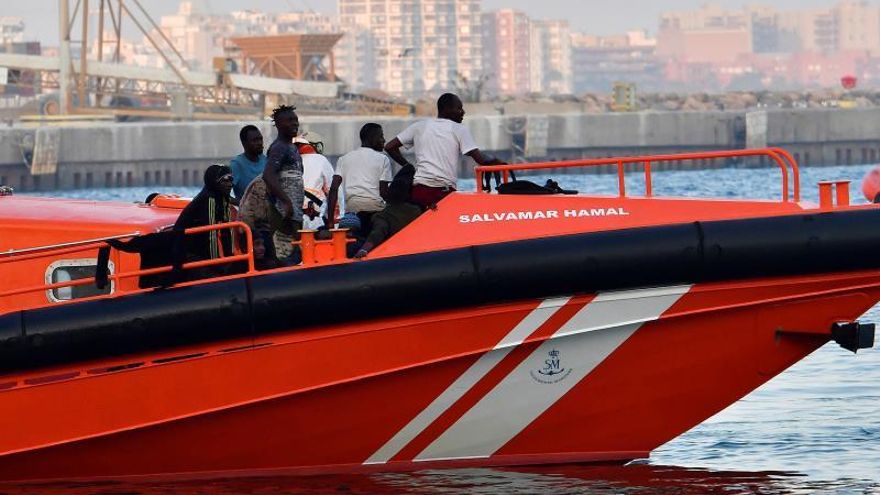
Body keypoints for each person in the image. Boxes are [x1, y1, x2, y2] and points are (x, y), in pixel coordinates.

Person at [385, 93, 506, 210]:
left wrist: (408, 166)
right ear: (446, 109)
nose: (463, 112)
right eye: (459, 108)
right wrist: (497, 162)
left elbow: (390, 147)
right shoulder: (459, 129)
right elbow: (480, 159)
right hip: (444, 193)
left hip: (419, 192)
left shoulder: (419, 126)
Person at [172, 164, 239, 277]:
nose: (230, 184)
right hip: (187, 251)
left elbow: (226, 231)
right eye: (226, 180)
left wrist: (230, 259)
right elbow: (211, 233)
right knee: (214, 275)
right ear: (215, 182)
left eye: (231, 179)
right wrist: (215, 264)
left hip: (200, 250)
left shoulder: (223, 198)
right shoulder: (209, 199)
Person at [334, 123, 393, 237]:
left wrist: (331, 222)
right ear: (371, 138)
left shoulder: (344, 159)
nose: (384, 140)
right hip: (375, 209)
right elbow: (384, 192)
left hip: (353, 211)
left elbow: (333, 190)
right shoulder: (383, 159)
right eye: (381, 136)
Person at [262, 105, 304, 262]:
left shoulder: (292, 148)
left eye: (296, 120)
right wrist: (286, 201)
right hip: (283, 213)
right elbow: (268, 174)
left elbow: (293, 181)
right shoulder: (279, 147)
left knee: (294, 255)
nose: (295, 124)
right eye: (290, 121)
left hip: (294, 213)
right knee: (283, 256)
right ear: (279, 125)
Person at [354, 164, 422, 258]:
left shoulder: (383, 216)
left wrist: (364, 249)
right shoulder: (417, 211)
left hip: (395, 255)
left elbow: (377, 234)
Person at [297, 131, 341, 230]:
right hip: (314, 219)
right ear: (315, 146)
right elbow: (333, 191)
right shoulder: (321, 160)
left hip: (293, 219)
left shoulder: (291, 160)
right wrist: (333, 222)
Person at [229, 125, 267, 202]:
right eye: (255, 140)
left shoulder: (266, 160)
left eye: (260, 139)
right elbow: (222, 192)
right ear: (244, 143)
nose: (260, 143)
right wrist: (242, 205)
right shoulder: (237, 164)